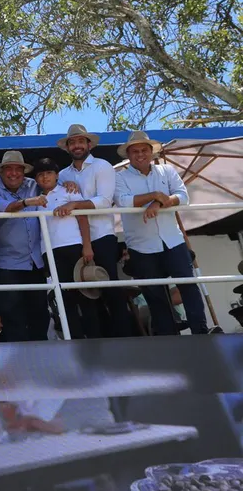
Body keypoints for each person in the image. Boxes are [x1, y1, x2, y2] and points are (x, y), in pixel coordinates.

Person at [114, 130, 208, 335]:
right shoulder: (119, 177)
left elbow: (183, 197)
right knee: (155, 294)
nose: (140, 154)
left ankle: (200, 332)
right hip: (141, 245)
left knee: (188, 287)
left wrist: (157, 202)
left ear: (152, 152)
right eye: (135, 151)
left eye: (144, 150)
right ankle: (168, 338)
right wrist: (157, 195)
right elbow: (124, 201)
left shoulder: (167, 171)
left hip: (172, 240)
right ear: (128, 155)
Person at [56, 124, 132, 336]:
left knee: (111, 290)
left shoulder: (102, 166)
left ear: (89, 144)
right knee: (85, 293)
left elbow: (105, 201)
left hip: (102, 235)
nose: (77, 145)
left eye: (81, 141)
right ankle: (100, 342)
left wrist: (74, 205)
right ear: (67, 147)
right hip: (74, 240)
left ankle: (125, 340)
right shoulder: (62, 175)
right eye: (72, 142)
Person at [0, 151, 50, 342]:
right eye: (9, 169)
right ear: (1, 172)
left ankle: (42, 361)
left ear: (23, 171)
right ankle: (18, 365)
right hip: (5, 264)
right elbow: (5, 207)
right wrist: (27, 202)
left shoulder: (33, 185)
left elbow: (53, 188)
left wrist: (68, 184)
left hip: (34, 262)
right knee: (12, 316)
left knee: (40, 314)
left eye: (17, 169)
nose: (13, 173)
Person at [31, 158, 95, 338]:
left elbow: (82, 218)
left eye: (49, 173)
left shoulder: (69, 190)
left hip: (73, 247)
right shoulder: (35, 199)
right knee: (64, 298)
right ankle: (73, 340)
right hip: (49, 252)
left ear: (56, 175)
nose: (45, 177)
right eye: (41, 174)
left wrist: (87, 245)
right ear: (36, 179)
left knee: (85, 295)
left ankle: (95, 340)